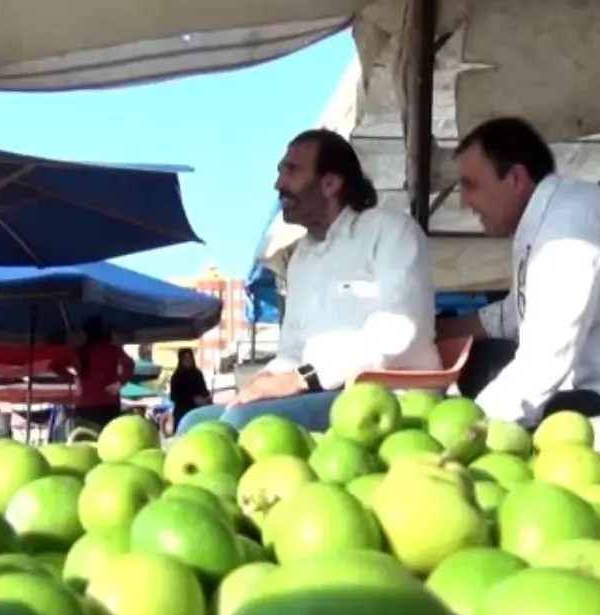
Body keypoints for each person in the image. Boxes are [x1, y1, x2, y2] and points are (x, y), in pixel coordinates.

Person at [436, 117, 600, 427]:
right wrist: (441, 329)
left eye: (471, 185)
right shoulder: (542, 221)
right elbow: (519, 311)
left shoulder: (567, 227)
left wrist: (475, 426)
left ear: (516, 178)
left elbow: (547, 353)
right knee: (483, 360)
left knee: (501, 388)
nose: (464, 202)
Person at [176, 129, 441, 434]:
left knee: (245, 425)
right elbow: (292, 350)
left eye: (291, 171)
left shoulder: (391, 231)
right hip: (318, 391)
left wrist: (303, 378)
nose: (279, 184)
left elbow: (399, 333)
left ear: (330, 183)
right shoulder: (301, 257)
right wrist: (264, 380)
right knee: (195, 423)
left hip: (386, 395)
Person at [49, 316, 135, 430]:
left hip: (85, 404)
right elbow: (129, 364)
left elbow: (54, 366)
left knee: (87, 438)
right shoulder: (112, 349)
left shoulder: (78, 351)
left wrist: (73, 379)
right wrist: (120, 383)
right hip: (109, 403)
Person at [168, 348, 211, 430]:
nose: (188, 361)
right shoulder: (177, 377)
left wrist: (207, 397)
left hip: (198, 412)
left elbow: (203, 389)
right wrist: (192, 399)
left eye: (190, 358)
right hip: (182, 413)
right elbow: (173, 397)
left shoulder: (197, 374)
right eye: (185, 359)